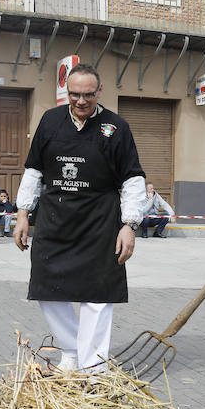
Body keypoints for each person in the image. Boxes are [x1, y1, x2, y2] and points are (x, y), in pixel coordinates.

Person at [14, 63, 145, 371]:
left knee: (98, 296)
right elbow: (33, 170)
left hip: (100, 221)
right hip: (54, 220)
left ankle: (94, 368)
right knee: (47, 288)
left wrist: (129, 225)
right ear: (66, 92)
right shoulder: (50, 121)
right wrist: (22, 213)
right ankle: (71, 351)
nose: (81, 101)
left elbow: (133, 179)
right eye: (75, 94)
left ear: (99, 92)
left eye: (88, 94)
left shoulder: (116, 127)